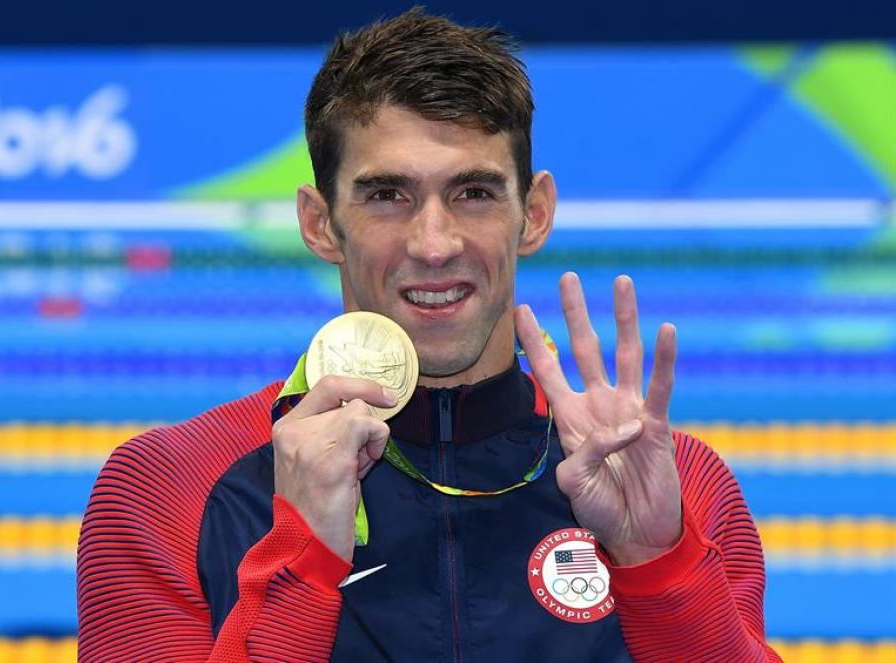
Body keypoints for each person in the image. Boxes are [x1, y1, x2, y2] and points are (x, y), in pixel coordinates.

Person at [77, 9, 780, 662]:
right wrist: (299, 560)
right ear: (321, 222)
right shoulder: (171, 486)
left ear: (533, 214)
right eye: (389, 195)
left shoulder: (677, 485)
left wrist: (659, 565)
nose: (435, 242)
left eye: (473, 192)